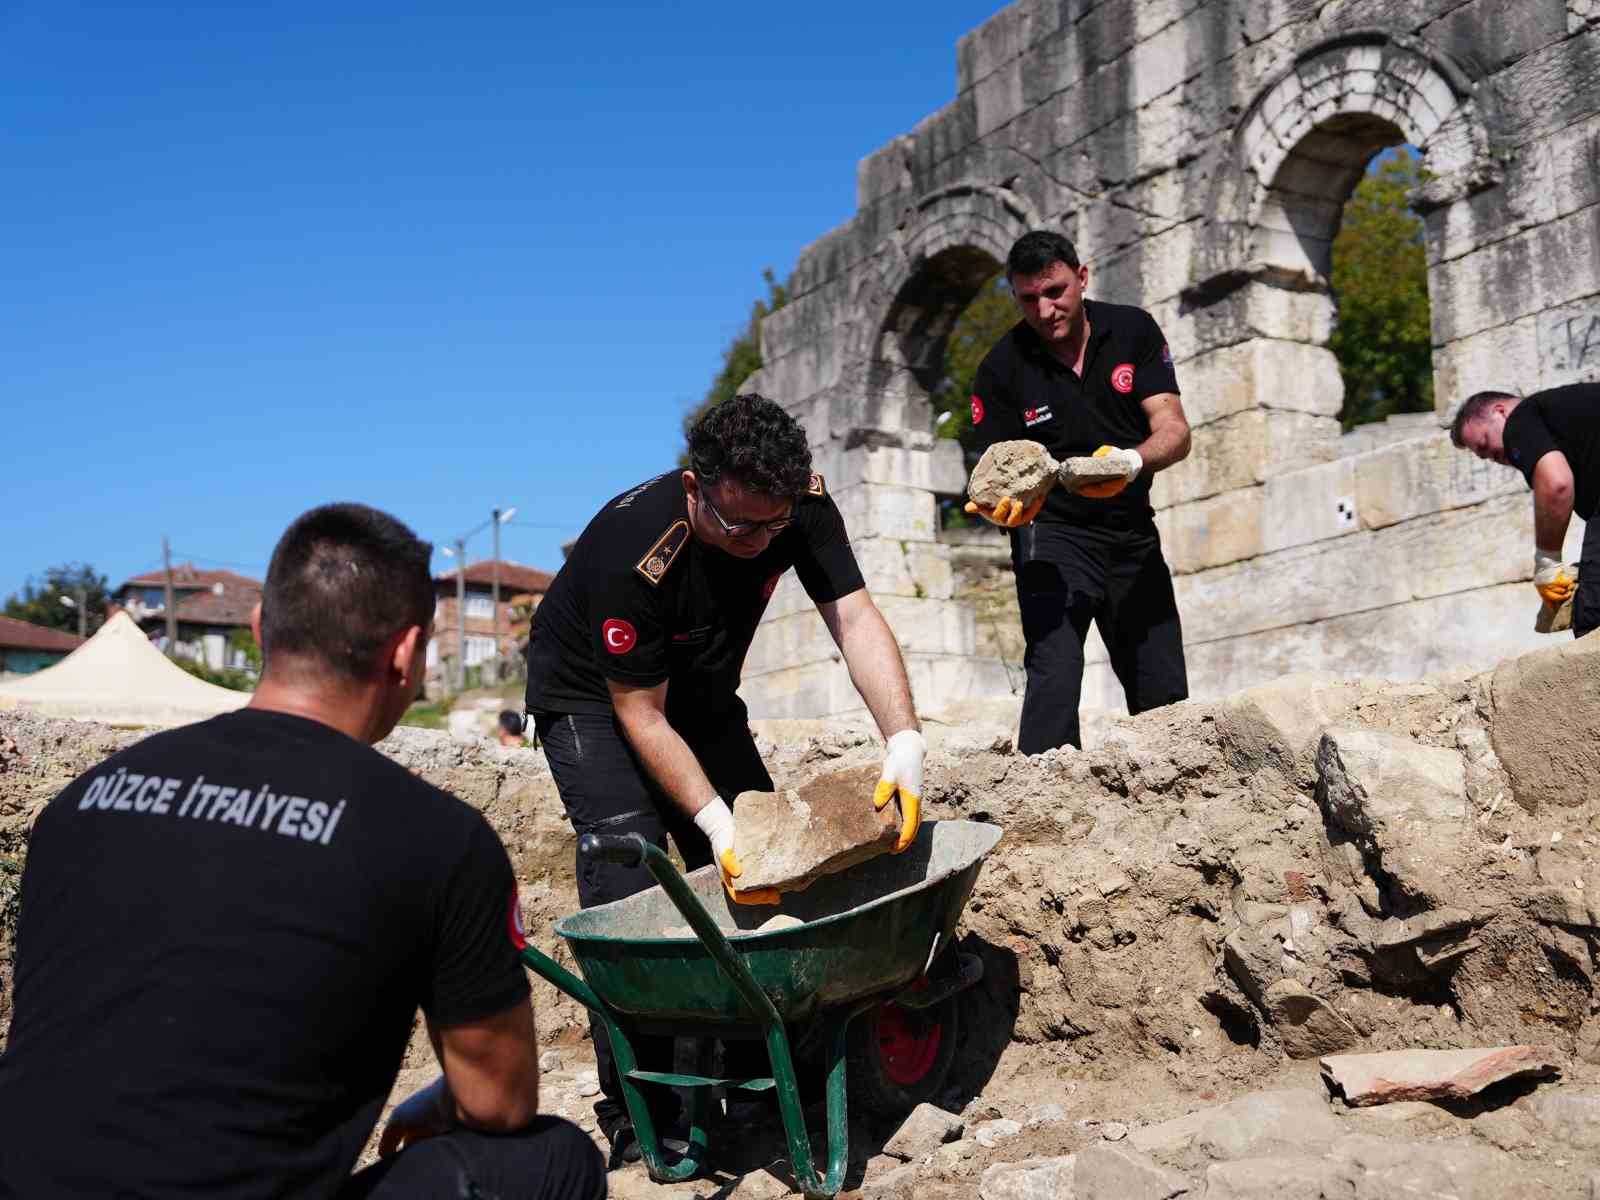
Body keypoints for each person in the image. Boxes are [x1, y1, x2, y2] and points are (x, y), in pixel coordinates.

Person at [0, 503, 603, 1200]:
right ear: (407, 655)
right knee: (556, 1162)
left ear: (259, 629)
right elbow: (499, 1105)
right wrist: (437, 1100)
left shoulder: (82, 803)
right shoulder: (439, 839)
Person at [525, 392, 925, 1166]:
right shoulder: (633, 544)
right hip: (596, 701)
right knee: (628, 874)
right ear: (694, 486)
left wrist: (903, 737)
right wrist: (713, 822)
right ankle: (643, 1108)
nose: (759, 542)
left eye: (774, 526)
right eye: (740, 526)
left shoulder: (793, 504)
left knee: (770, 868)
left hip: (701, 691)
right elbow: (640, 716)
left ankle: (755, 1061)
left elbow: (855, 618)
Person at [964, 230, 1193, 754]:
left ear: (1082, 278)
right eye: (1028, 299)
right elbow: (993, 479)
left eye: (1056, 292)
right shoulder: (1000, 368)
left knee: (1162, 688)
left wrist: (1132, 461)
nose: (1044, 310)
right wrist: (1006, 514)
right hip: (1052, 533)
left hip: (1132, 527)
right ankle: (1042, 802)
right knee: (1055, 670)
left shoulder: (1132, 329)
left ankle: (1178, 806)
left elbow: (1175, 430)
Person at [1451, 384, 1600, 635]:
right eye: (1484, 456)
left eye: (1486, 443)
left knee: (1592, 615)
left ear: (1500, 412)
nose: (1494, 457)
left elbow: (1557, 485)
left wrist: (1547, 562)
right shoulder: (1568, 418)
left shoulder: (1521, 419)